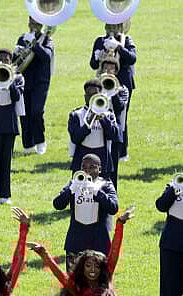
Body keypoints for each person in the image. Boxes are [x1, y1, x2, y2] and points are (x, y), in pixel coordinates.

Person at [53, 154, 118, 296]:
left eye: (92, 167)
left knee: (99, 284)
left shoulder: (106, 185)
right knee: (73, 282)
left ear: (99, 169)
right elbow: (57, 204)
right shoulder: (74, 183)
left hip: (98, 242)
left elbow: (113, 207)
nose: (88, 171)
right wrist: (71, 189)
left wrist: (96, 192)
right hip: (76, 240)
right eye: (85, 167)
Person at [90, 21, 135, 161]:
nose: (111, 29)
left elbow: (132, 58)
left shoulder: (126, 40)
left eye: (114, 27)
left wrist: (119, 47)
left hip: (122, 83)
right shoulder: (99, 41)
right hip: (102, 83)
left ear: (120, 27)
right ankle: (102, 147)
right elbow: (93, 64)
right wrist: (98, 56)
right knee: (102, 114)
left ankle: (121, 151)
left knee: (121, 116)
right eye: (108, 26)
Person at [0, 49, 24, 205]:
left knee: (6, 161)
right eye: (0, 59)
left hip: (9, 124)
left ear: (11, 61)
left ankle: (5, 195)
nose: (3, 62)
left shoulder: (18, 78)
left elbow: (16, 96)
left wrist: (9, 80)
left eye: (6, 59)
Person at [68, 79, 120, 182]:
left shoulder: (108, 114)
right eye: (89, 95)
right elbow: (75, 138)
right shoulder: (76, 115)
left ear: (100, 95)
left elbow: (115, 135)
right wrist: (89, 121)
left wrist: (103, 118)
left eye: (95, 94)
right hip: (82, 156)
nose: (92, 97)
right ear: (85, 96)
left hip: (103, 158)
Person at [16, 16, 53, 155]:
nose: (33, 26)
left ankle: (40, 141)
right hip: (24, 80)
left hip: (40, 82)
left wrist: (35, 45)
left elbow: (46, 56)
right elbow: (17, 60)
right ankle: (28, 144)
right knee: (24, 113)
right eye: (32, 23)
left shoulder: (47, 39)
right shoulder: (22, 38)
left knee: (36, 112)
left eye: (37, 23)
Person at [155, 177, 183, 296]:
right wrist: (174, 190)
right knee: (170, 286)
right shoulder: (173, 185)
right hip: (171, 243)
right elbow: (161, 205)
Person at [98, 58, 129, 191]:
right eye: (106, 69)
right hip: (98, 131)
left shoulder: (122, 90)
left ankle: (112, 195)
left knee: (112, 168)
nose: (108, 71)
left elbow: (119, 107)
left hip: (114, 132)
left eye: (111, 69)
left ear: (116, 71)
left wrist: (112, 90)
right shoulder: (95, 87)